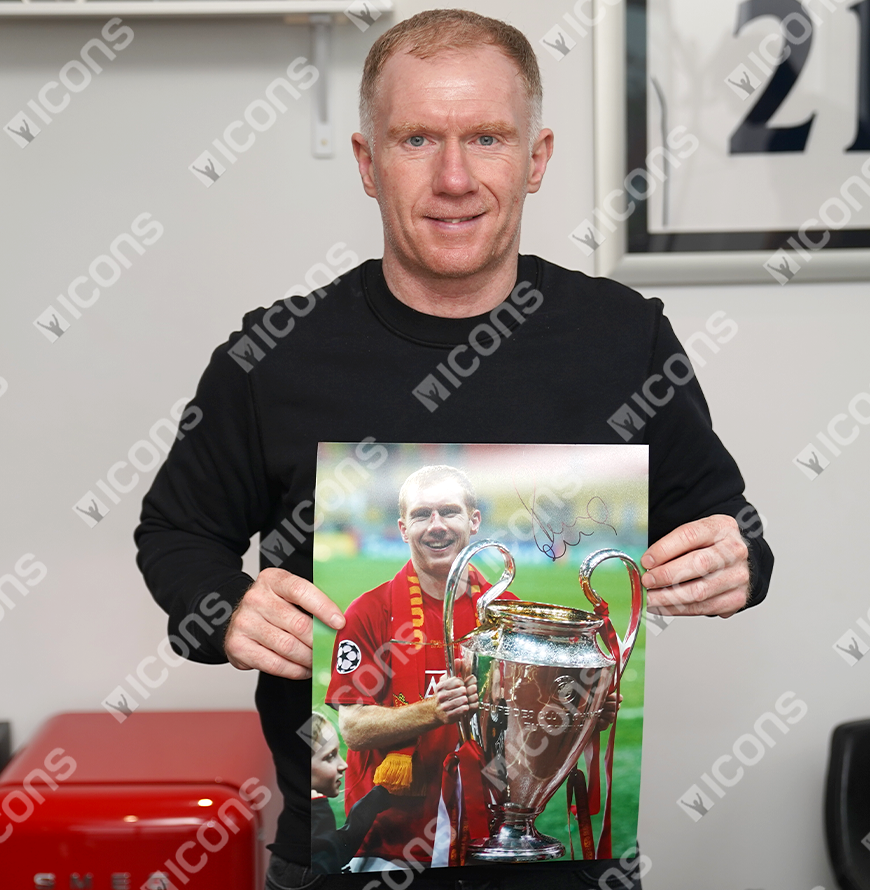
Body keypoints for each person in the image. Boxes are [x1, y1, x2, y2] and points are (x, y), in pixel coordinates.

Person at [134, 9, 774, 890]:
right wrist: (224, 610)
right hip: (340, 862)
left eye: (487, 137)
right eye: (415, 139)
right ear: (367, 163)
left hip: (563, 871)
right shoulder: (272, 355)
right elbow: (175, 533)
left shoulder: (624, 340)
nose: (454, 177)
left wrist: (737, 564)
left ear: (537, 158)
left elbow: (728, 524)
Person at [324, 465, 505, 871]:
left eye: (449, 512)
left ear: (473, 521)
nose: (436, 526)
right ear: (404, 529)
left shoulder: (502, 609)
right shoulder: (369, 612)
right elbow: (353, 729)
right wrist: (433, 712)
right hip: (389, 843)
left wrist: (578, 714)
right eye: (422, 515)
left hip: (484, 832)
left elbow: (520, 720)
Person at [309, 711, 394, 874]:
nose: (343, 765)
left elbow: (333, 851)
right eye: (330, 757)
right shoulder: (315, 811)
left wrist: (368, 807)